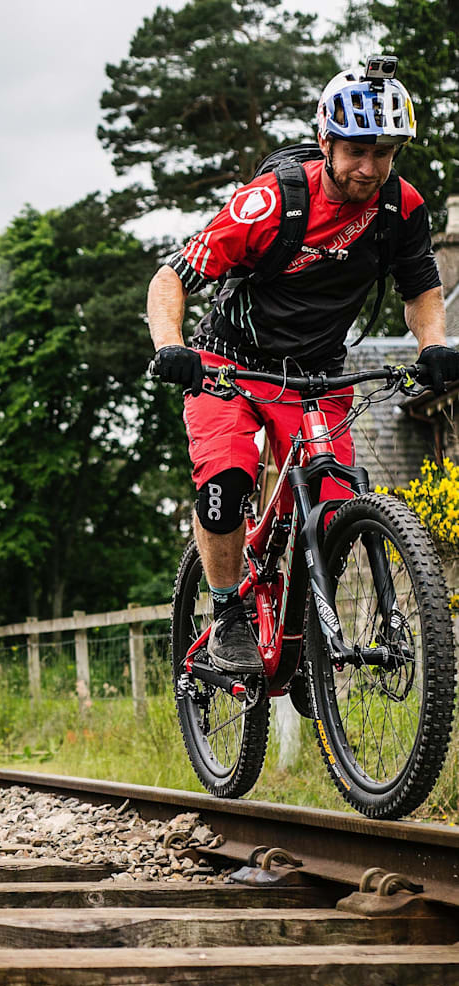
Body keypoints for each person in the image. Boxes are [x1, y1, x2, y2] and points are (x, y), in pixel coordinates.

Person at [147, 59, 459, 675]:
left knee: (339, 499)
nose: (369, 168)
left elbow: (422, 287)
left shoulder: (402, 208)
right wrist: (169, 347)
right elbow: (172, 277)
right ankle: (228, 613)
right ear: (326, 141)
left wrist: (433, 348)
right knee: (227, 481)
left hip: (316, 372)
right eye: (356, 151)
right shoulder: (269, 203)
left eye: (385, 152)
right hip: (226, 366)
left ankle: (309, 630)